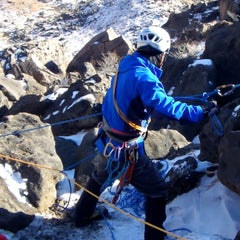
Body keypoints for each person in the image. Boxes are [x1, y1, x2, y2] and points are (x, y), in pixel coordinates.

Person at [74, 26, 218, 240]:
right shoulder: (145, 78)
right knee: (157, 191)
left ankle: (82, 215)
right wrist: (200, 112)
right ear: (161, 54)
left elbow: (109, 101)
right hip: (127, 148)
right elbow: (164, 106)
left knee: (99, 174)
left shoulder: (125, 66)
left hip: (108, 140)